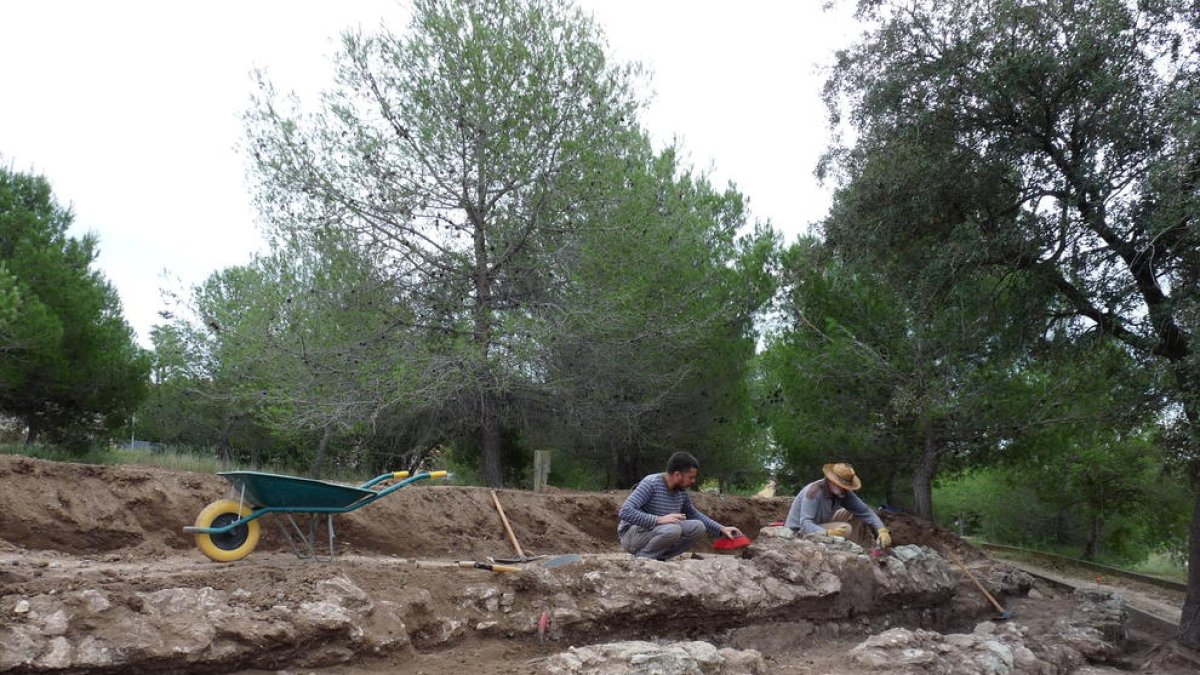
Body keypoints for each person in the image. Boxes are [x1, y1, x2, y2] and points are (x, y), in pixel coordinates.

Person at [617, 451, 744, 560]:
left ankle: (660, 557)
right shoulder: (650, 483)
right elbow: (625, 511)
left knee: (697, 527)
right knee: (673, 529)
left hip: (660, 531)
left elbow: (693, 514)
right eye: (691, 477)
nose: (693, 481)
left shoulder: (680, 491)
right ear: (677, 475)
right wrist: (658, 519)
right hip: (632, 536)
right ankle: (643, 558)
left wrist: (721, 529)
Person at [785, 462, 892, 548]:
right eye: (842, 485)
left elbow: (865, 511)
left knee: (856, 515)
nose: (845, 489)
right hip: (799, 533)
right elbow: (805, 525)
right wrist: (828, 533)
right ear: (831, 481)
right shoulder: (813, 492)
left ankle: (862, 549)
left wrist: (882, 529)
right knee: (847, 529)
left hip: (821, 523)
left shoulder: (842, 492)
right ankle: (852, 551)